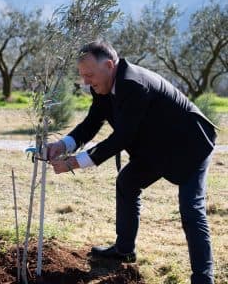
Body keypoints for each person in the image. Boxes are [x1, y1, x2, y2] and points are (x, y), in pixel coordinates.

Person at [48, 41, 217, 284]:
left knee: (191, 209)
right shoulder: (102, 85)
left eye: (89, 75)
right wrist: (62, 145)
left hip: (190, 144)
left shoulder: (134, 84)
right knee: (127, 182)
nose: (86, 82)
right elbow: (92, 123)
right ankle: (123, 250)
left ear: (108, 65)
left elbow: (121, 138)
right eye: (83, 76)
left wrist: (74, 163)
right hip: (156, 147)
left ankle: (203, 278)